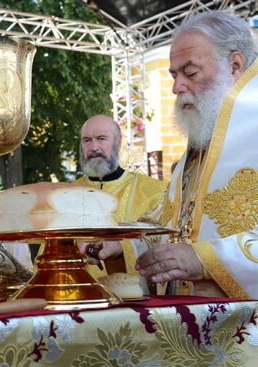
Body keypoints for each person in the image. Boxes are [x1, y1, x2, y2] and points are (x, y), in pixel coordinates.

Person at [98, 11, 257, 298]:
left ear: (234, 65)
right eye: (174, 75)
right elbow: (171, 228)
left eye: (191, 72)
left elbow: (194, 251)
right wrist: (121, 247)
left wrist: (205, 260)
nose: (176, 87)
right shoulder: (199, 148)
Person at [75, 114, 167, 281]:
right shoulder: (65, 195)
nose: (94, 146)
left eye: (102, 139)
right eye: (87, 140)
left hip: (132, 296)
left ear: (118, 142)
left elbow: (162, 243)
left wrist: (122, 247)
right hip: (77, 295)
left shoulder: (153, 192)